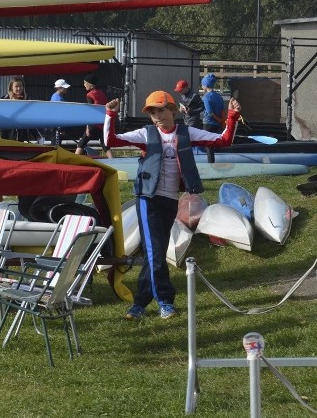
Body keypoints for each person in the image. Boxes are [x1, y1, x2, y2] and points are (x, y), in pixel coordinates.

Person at [104, 90, 241, 320]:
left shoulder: (186, 133)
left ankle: (139, 304)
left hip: (170, 201)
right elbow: (110, 141)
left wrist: (232, 116)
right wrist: (110, 114)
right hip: (148, 200)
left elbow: (223, 140)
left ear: (173, 110)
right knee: (156, 253)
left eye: (161, 110)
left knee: (153, 254)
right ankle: (165, 301)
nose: (157, 116)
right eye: (152, 112)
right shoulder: (146, 134)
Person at [75, 74, 112, 158]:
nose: (84, 85)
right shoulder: (102, 93)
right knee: (104, 144)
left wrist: (88, 127)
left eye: (85, 83)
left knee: (82, 142)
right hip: (102, 122)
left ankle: (74, 159)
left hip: (94, 123)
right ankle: (113, 161)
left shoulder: (90, 95)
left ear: (91, 84)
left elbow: (91, 112)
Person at [200, 74, 225, 163]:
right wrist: (222, 122)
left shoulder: (206, 97)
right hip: (216, 125)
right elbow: (222, 111)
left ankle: (211, 164)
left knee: (208, 146)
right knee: (214, 144)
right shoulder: (219, 97)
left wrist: (217, 119)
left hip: (208, 123)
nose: (202, 86)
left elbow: (210, 112)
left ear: (206, 85)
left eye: (202, 84)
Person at [0, 76, 31, 142]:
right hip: (7, 138)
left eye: (20, 86)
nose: (19, 88)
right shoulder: (3, 100)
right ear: (11, 87)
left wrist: (37, 136)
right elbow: (1, 121)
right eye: (16, 86)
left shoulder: (27, 100)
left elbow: (30, 120)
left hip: (23, 138)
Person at [48, 79, 71, 145]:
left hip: (56, 125)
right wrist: (60, 127)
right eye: (64, 87)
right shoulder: (57, 98)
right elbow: (57, 114)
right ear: (59, 88)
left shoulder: (57, 96)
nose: (66, 89)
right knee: (56, 144)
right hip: (56, 125)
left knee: (56, 143)